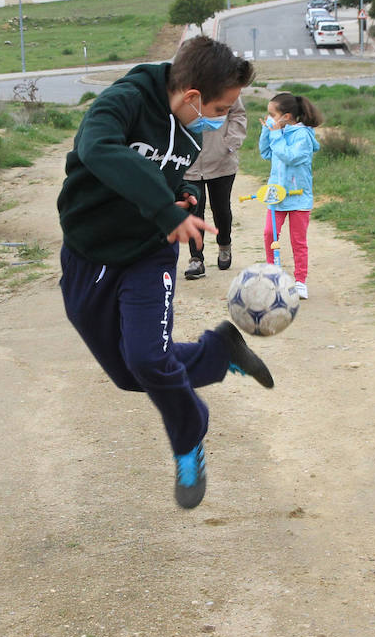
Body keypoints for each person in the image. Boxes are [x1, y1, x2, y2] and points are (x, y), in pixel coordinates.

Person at [57, 36, 273, 511]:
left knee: (150, 361)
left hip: (149, 254)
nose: (218, 118)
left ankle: (188, 435)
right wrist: (164, 206)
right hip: (87, 253)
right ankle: (218, 352)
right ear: (192, 95)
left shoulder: (192, 130)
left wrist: (181, 204)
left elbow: (168, 183)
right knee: (131, 374)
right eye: (217, 107)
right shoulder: (125, 101)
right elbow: (96, 148)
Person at [257, 92, 322, 300]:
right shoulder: (279, 131)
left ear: (286, 116)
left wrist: (276, 134)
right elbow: (266, 153)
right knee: (269, 234)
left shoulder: (302, 136)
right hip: (276, 196)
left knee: (298, 240)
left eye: (272, 114)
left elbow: (290, 157)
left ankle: (300, 280)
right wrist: (266, 132)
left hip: (299, 197)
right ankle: (272, 275)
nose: (269, 118)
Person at [182, 96, 246, 279]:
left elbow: (238, 114)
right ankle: (196, 258)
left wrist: (230, 143)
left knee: (221, 209)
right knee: (194, 211)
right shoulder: (180, 87)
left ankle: (224, 243)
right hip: (190, 163)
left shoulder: (223, 85)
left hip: (221, 160)